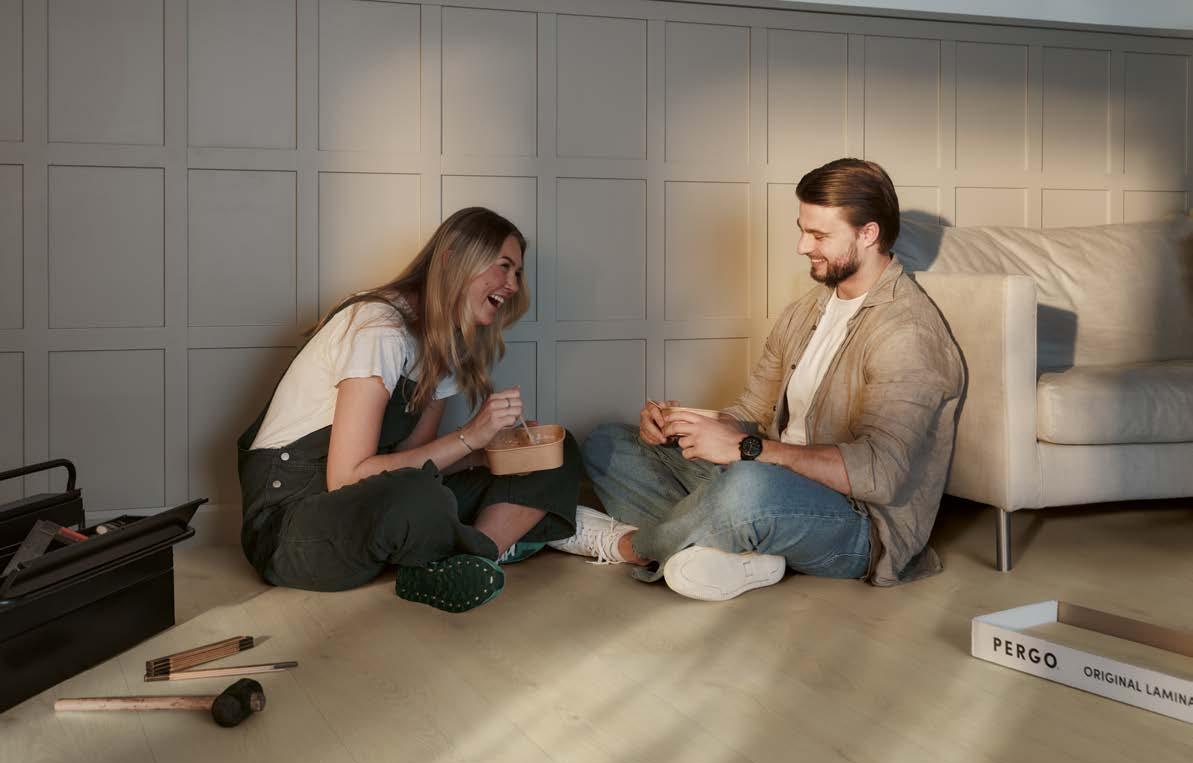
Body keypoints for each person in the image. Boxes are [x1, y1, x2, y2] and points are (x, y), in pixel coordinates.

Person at [548, 159, 964, 600]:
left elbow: (881, 473)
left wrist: (749, 450)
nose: (802, 247)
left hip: (856, 523)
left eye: (819, 235)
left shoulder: (907, 332)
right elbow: (751, 412)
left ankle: (633, 546)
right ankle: (736, 550)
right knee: (608, 444)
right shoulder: (807, 310)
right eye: (802, 230)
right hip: (771, 478)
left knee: (747, 487)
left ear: (868, 234)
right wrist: (686, 425)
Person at [238, 207, 581, 613]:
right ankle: (471, 551)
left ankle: (472, 562)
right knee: (419, 497)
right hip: (291, 524)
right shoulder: (379, 327)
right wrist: (469, 436)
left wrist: (490, 452)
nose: (513, 284)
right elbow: (346, 479)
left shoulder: (445, 344)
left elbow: (417, 460)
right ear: (453, 259)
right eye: (504, 266)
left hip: (373, 501)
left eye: (517, 273)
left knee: (554, 451)